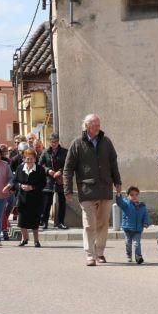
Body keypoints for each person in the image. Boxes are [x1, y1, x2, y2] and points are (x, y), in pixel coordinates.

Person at [63, 114, 122, 266]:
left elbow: (113, 162)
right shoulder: (77, 143)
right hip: (87, 189)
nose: (98, 126)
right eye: (95, 124)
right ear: (87, 126)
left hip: (105, 188)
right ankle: (90, 254)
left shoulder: (106, 142)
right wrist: (67, 189)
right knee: (90, 224)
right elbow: (68, 168)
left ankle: (100, 252)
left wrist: (117, 182)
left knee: (103, 223)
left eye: (98, 123)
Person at [7, 148, 46, 247]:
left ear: (35, 159)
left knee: (35, 220)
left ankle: (36, 240)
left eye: (31, 159)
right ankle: (24, 238)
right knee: (22, 220)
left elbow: (43, 183)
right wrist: (20, 186)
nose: (29, 161)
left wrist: (32, 187)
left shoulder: (40, 169)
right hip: (22, 198)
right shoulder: (20, 168)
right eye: (27, 159)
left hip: (35, 198)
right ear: (24, 159)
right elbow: (15, 181)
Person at [39, 133, 68, 229]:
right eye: (52, 142)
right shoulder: (45, 152)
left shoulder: (64, 152)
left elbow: (68, 165)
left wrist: (60, 171)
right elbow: (40, 165)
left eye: (55, 142)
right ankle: (44, 222)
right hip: (49, 180)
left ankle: (60, 222)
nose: (54, 144)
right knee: (47, 202)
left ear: (58, 141)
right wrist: (48, 170)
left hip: (60, 179)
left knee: (62, 201)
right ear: (49, 142)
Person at [116, 186, 150, 264]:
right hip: (127, 229)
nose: (134, 196)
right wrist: (118, 193)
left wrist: (146, 222)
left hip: (138, 229)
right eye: (132, 195)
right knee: (128, 243)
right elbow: (119, 202)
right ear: (127, 196)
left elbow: (145, 215)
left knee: (137, 243)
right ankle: (129, 255)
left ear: (138, 195)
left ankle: (138, 257)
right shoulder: (126, 204)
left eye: (136, 194)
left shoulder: (142, 206)